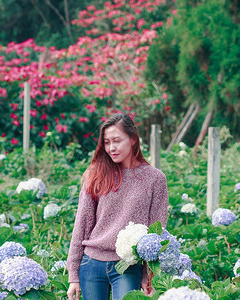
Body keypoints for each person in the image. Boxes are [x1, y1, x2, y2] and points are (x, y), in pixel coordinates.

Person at [66, 113, 169, 300]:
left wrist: (148, 278)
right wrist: (73, 275)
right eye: (106, 142)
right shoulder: (96, 174)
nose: (111, 148)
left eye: (116, 141)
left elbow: (157, 231)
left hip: (128, 266)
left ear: (132, 139)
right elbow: (82, 224)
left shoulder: (155, 179)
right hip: (91, 263)